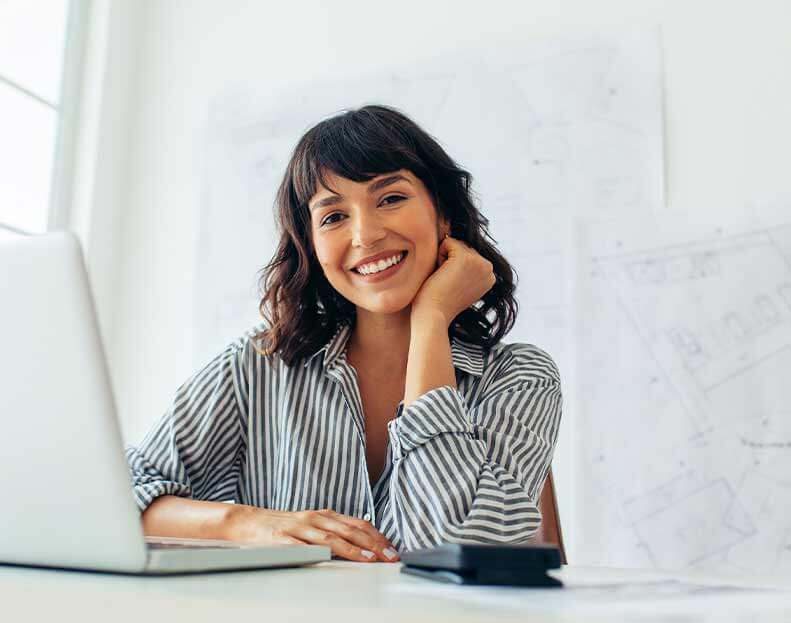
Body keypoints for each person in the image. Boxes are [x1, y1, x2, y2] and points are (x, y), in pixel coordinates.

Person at [127, 105, 562, 563]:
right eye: (333, 217)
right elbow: (121, 498)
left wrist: (431, 321)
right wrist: (247, 523)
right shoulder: (258, 363)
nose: (366, 234)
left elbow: (455, 550)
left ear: (443, 215)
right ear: (312, 247)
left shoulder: (521, 377)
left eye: (391, 198)